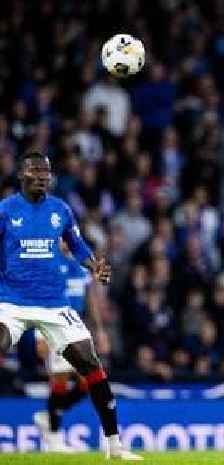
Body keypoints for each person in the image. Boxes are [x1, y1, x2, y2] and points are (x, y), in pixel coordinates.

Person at [0, 152, 141, 460]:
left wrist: (93, 265)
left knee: (91, 364)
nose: (41, 176)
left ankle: (114, 446)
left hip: (54, 305)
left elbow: (76, 244)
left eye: (46, 172)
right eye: (35, 171)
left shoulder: (60, 210)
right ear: (21, 176)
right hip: (11, 301)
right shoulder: (5, 210)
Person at [32, 241, 109, 453]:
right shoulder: (48, 265)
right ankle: (55, 439)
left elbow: (91, 299)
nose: (65, 243)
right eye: (61, 239)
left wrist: (100, 330)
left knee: (89, 381)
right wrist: (40, 334)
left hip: (76, 327)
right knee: (61, 378)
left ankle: (50, 416)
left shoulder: (82, 266)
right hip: (53, 326)